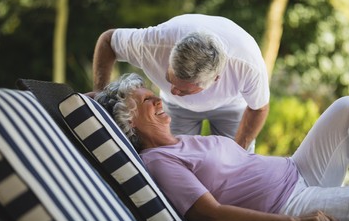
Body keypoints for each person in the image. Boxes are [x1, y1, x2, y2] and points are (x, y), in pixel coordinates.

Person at [95, 73, 349, 221]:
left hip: (298, 170)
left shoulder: (181, 141)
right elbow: (211, 214)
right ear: (128, 120)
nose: (159, 100)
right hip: (288, 203)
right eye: (147, 100)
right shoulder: (160, 161)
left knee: (347, 109)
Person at [92, 14, 270, 152]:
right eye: (170, 80)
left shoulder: (247, 65)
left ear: (216, 79)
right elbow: (107, 41)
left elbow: (259, 108)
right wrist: (100, 96)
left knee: (236, 166)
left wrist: (237, 153)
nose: (174, 90)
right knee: (171, 160)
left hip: (230, 105)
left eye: (184, 91)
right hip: (175, 109)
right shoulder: (152, 44)